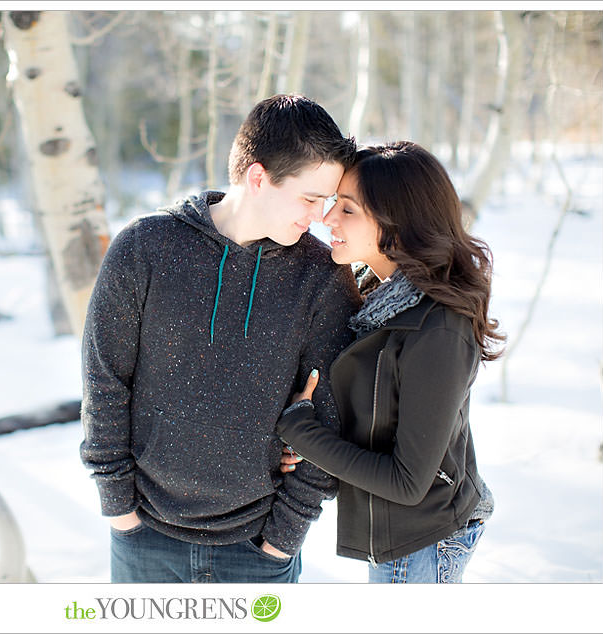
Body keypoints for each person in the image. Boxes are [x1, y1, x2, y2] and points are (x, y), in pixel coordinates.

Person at [80, 94, 362, 583]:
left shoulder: (321, 277)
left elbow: (330, 415)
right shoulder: (145, 248)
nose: (320, 215)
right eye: (309, 198)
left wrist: (281, 541)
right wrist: (118, 509)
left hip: (255, 551)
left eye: (328, 202)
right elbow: (105, 383)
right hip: (144, 537)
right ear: (258, 178)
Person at [277, 140, 504, 583]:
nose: (327, 220)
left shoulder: (438, 329)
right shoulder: (376, 299)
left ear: (397, 227)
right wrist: (309, 444)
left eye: (348, 210)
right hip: (400, 537)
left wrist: (300, 430)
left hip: (423, 542)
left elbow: (406, 482)